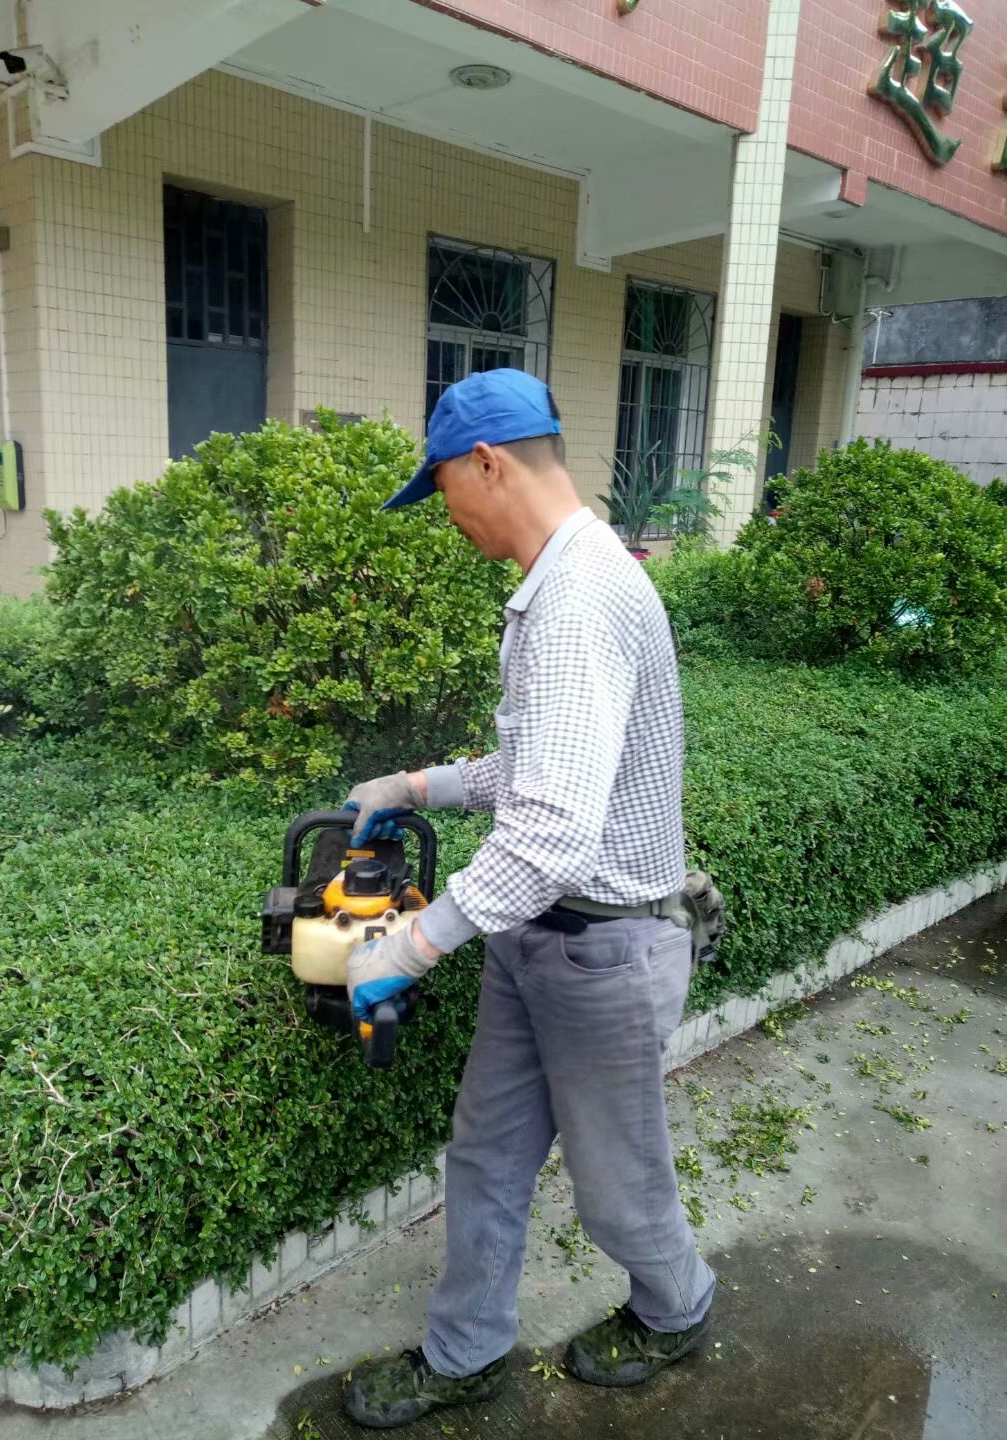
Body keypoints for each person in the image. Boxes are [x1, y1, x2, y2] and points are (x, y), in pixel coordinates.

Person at [341, 369, 715, 1430]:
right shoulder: (563, 581)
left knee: (616, 1184)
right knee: (488, 1154)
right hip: (536, 940)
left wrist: (409, 946)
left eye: (442, 487)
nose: (446, 512)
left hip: (603, 953)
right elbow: (540, 772)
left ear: (487, 464)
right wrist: (416, 786)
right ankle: (464, 1353)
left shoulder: (577, 603)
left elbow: (550, 835)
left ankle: (677, 1306)